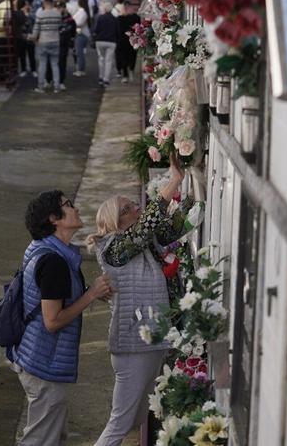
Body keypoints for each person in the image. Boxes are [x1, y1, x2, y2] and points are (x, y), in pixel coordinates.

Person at [87, 156, 193, 446]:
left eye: (133, 204)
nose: (136, 208)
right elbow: (147, 226)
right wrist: (173, 181)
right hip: (134, 346)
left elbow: (174, 227)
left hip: (149, 343)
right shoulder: (114, 248)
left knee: (135, 419)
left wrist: (199, 192)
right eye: (128, 208)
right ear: (115, 221)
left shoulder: (140, 244)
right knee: (120, 423)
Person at [12, 191, 112, 446]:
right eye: (68, 205)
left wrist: (88, 292)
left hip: (36, 355)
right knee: (41, 440)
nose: (76, 208)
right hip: (44, 361)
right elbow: (52, 321)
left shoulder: (49, 250)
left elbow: (53, 296)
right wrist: (90, 295)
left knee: (54, 436)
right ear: (54, 219)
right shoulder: (54, 261)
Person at [32, 0, 64, 93]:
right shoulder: (58, 14)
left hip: (43, 41)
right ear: (53, 3)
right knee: (55, 64)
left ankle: (40, 87)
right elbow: (60, 27)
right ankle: (57, 87)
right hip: (55, 40)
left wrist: (33, 38)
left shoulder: (40, 15)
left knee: (42, 64)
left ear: (44, 3)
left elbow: (36, 30)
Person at [45, 0, 76, 90]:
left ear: (64, 8)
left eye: (60, 7)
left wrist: (71, 39)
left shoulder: (69, 19)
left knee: (62, 63)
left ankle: (61, 81)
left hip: (63, 44)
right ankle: (48, 80)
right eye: (57, 7)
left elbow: (73, 30)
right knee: (49, 62)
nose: (59, 9)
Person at [93, 2, 119, 87]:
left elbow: (96, 30)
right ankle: (106, 79)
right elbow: (117, 31)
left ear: (104, 9)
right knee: (108, 61)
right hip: (111, 41)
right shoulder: (115, 19)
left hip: (100, 41)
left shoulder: (100, 18)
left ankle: (100, 77)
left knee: (101, 59)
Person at [116, 1, 140, 83]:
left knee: (132, 57)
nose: (127, 9)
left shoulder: (135, 17)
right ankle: (125, 74)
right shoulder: (120, 18)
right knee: (124, 58)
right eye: (125, 8)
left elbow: (138, 28)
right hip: (122, 41)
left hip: (133, 41)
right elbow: (118, 30)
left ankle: (131, 70)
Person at [72, 0, 92, 77]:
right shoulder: (83, 11)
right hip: (82, 33)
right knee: (79, 53)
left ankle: (80, 69)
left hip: (81, 34)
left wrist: (73, 23)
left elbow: (79, 23)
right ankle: (80, 69)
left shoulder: (82, 12)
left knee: (79, 53)